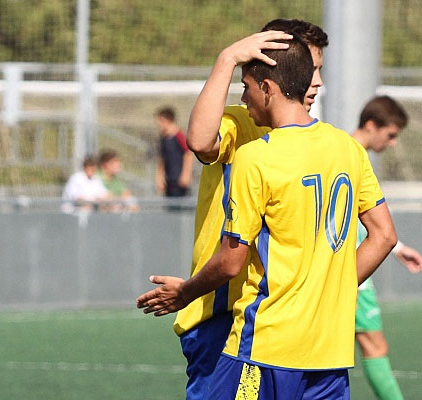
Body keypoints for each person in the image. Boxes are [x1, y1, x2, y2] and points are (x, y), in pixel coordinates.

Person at [137, 33, 397, 399]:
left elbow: (231, 261)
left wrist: (185, 292)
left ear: (267, 87)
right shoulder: (348, 148)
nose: (243, 98)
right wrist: (325, 289)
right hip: (330, 350)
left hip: (266, 346)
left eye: (245, 87)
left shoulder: (256, 156)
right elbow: (384, 235)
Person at [351, 95, 422, 400]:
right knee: (373, 345)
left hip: (348, 264)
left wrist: (397, 248)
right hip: (352, 268)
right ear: (372, 125)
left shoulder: (345, 152)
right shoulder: (350, 154)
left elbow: (358, 215)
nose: (393, 143)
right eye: (391, 135)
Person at [155, 106, 193, 197]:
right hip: (169, 180)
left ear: (168, 120)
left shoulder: (179, 135)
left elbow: (188, 154)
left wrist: (186, 174)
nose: (158, 124)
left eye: (160, 121)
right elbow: (162, 159)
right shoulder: (163, 138)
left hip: (179, 180)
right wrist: (160, 177)